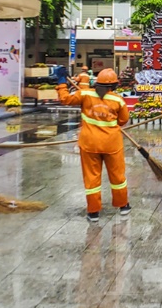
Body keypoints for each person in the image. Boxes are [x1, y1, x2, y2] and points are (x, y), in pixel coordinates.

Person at [55, 67, 131, 221]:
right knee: (117, 176)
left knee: (92, 178)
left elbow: (65, 99)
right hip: (112, 145)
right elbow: (123, 120)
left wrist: (62, 82)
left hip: (89, 144)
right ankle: (123, 206)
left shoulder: (84, 94)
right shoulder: (118, 100)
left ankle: (93, 212)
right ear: (115, 85)